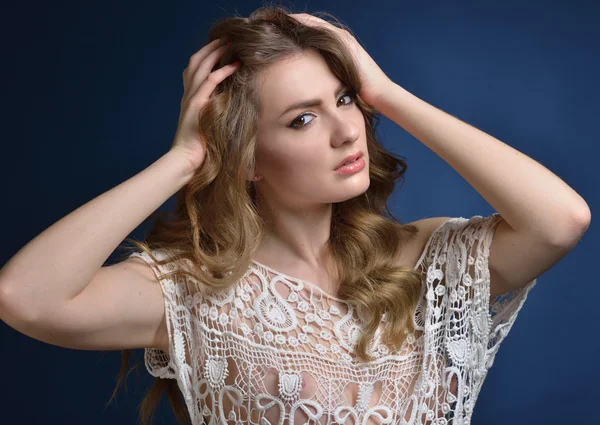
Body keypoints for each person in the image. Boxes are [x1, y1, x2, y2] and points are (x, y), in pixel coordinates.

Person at [0, 6, 590, 425]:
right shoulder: (192, 293)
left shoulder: (420, 259)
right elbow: (25, 296)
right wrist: (184, 159)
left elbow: (560, 220)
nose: (346, 130)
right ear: (248, 160)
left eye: (344, 99)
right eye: (302, 119)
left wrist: (383, 91)